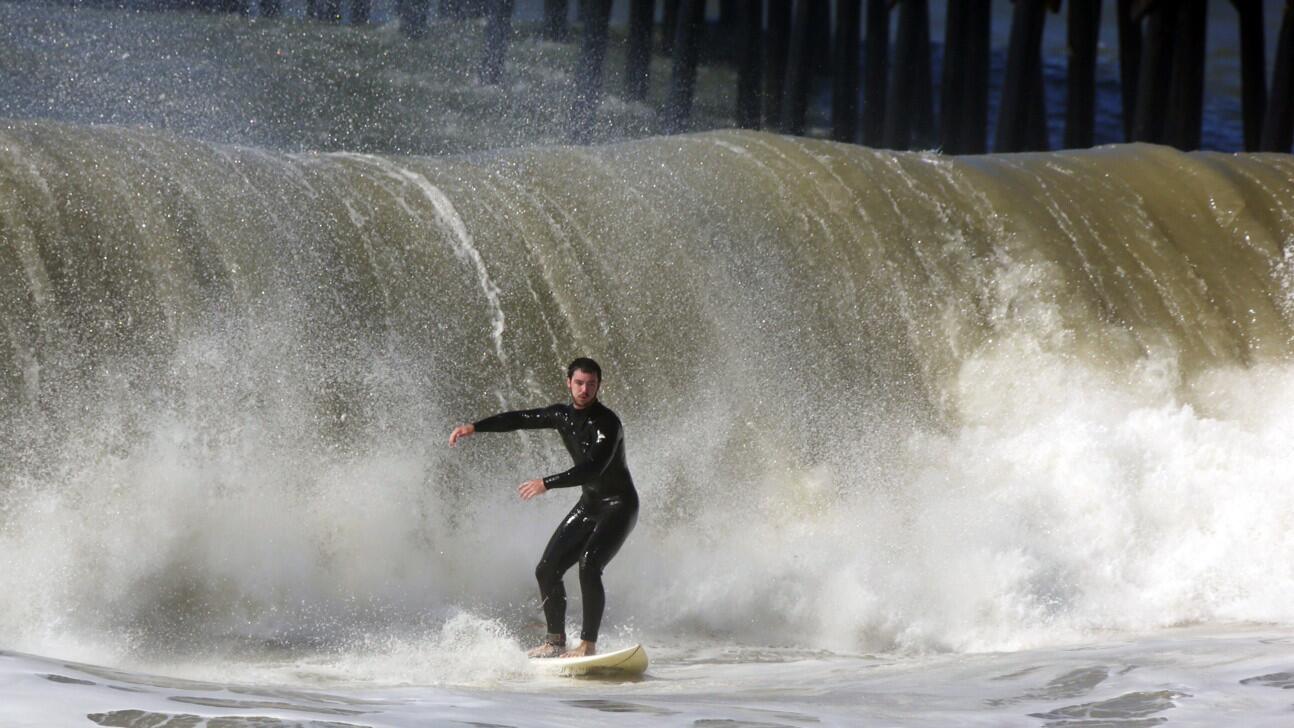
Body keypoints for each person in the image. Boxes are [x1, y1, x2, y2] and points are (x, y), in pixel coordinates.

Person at [448, 357, 638, 658]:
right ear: (568, 383)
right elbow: (520, 419)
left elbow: (593, 469)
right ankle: (555, 641)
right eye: (579, 383)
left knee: (589, 565)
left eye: (591, 384)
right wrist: (475, 427)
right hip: (590, 505)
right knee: (547, 569)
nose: (585, 389)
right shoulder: (562, 416)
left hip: (618, 506)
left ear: (599, 385)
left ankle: (587, 645)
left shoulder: (607, 424)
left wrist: (545, 483)